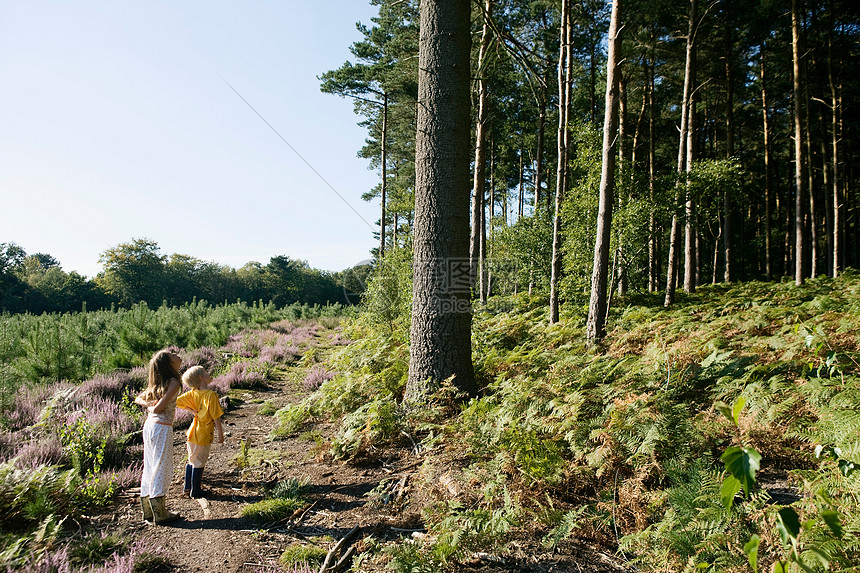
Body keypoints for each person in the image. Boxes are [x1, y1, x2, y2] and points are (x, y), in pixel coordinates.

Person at [135, 349, 183, 524]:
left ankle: (148, 510)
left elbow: (139, 398)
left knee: (150, 465)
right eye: (173, 355)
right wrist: (151, 406)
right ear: (168, 364)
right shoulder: (174, 382)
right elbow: (157, 408)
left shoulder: (157, 383)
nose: (178, 356)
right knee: (162, 466)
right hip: (161, 427)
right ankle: (160, 512)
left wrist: (148, 403)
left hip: (149, 426)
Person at [176, 365, 224, 499]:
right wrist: (220, 433)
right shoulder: (211, 395)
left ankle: (188, 486)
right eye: (206, 372)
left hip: (192, 432)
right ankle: (196, 490)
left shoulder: (193, 393)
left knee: (192, 459)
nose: (209, 374)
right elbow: (216, 416)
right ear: (201, 377)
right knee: (199, 461)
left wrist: (191, 410)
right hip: (203, 433)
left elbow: (176, 401)